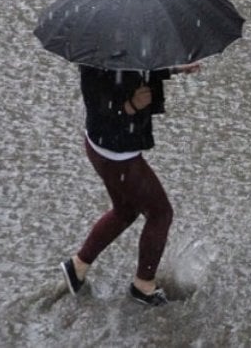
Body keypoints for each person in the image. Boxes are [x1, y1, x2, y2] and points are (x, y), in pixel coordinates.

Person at [60, 62, 201, 306]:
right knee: (160, 213)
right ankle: (143, 285)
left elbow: (138, 68)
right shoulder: (97, 61)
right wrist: (131, 106)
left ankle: (78, 265)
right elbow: (99, 105)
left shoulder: (122, 50)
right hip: (117, 155)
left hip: (104, 147)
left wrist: (175, 69)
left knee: (125, 211)